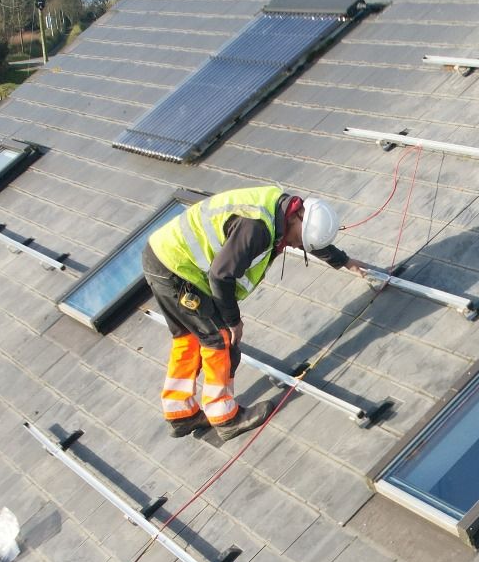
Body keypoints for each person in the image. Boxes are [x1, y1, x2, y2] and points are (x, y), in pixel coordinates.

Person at [141, 186, 370, 440]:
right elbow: (220, 276)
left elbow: (305, 235)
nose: (294, 246)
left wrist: (343, 261)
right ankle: (226, 418)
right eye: (297, 241)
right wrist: (233, 321)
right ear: (297, 217)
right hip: (178, 270)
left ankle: (180, 414)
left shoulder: (282, 211)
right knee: (220, 339)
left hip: (163, 259)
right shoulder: (256, 228)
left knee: (189, 337)